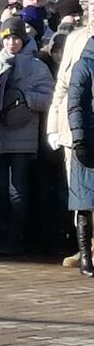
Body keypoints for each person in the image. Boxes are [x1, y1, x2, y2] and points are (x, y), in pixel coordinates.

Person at [0, 16, 54, 256]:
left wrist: (25, 99)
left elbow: (49, 97)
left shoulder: (37, 66)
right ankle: (0, 234)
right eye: (7, 38)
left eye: (16, 38)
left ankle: (15, 238)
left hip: (23, 137)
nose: (11, 43)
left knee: (18, 189)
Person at [47, 0, 94, 268]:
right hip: (73, 129)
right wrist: (54, 126)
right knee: (80, 193)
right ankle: (83, 248)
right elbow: (63, 87)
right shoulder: (76, 39)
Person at [65, 36, 94, 277]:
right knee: (85, 202)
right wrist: (79, 138)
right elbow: (75, 104)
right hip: (88, 140)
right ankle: (85, 255)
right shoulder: (84, 65)